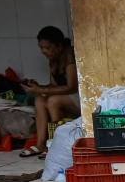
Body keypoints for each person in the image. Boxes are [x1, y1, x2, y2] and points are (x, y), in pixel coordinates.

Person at [20, 26, 81, 158]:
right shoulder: (53, 60)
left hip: (80, 98)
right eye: (41, 48)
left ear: (58, 45)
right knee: (39, 99)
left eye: (47, 48)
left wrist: (42, 89)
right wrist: (37, 87)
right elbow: (53, 86)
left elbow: (72, 87)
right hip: (67, 98)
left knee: (53, 101)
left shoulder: (69, 55)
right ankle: (41, 144)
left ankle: (57, 144)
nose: (44, 51)